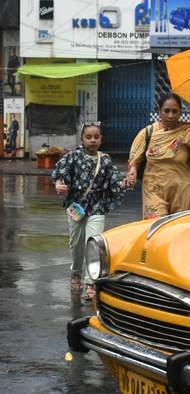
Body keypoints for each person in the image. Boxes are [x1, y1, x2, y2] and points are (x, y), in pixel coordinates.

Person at [51, 121, 132, 300]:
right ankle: (76, 273)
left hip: (97, 206)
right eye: (88, 137)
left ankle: (90, 283)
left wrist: (125, 184)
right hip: (76, 206)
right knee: (76, 243)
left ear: (101, 139)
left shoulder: (106, 161)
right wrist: (59, 186)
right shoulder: (73, 157)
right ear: (82, 139)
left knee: (93, 243)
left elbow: (115, 183)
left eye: (96, 137)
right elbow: (58, 174)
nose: (92, 140)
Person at [125, 93, 190, 220]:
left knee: (176, 229)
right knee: (155, 226)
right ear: (160, 111)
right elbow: (136, 159)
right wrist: (132, 171)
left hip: (181, 190)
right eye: (166, 111)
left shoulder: (188, 133)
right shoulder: (148, 133)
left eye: (175, 111)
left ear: (180, 112)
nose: (171, 115)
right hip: (153, 188)